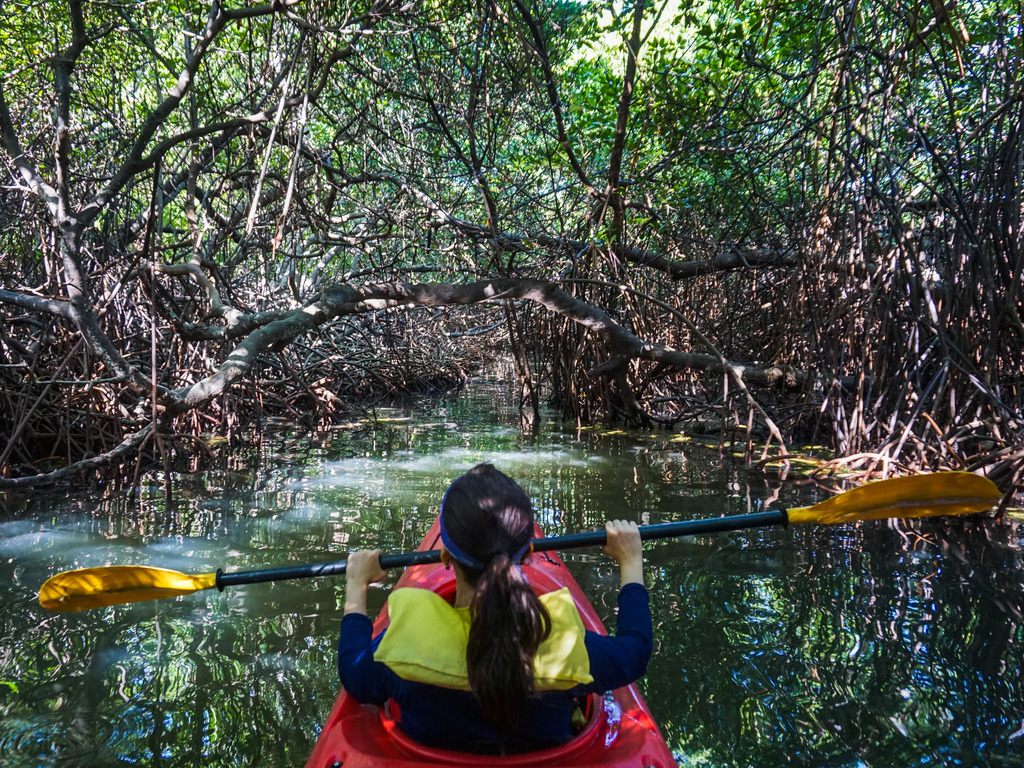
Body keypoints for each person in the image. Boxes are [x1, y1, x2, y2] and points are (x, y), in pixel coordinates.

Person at [338, 463, 652, 753]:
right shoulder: (575, 650)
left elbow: (354, 672)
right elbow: (635, 651)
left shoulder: (398, 648)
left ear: (446, 556)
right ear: (529, 553)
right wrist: (631, 560)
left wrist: (356, 584)